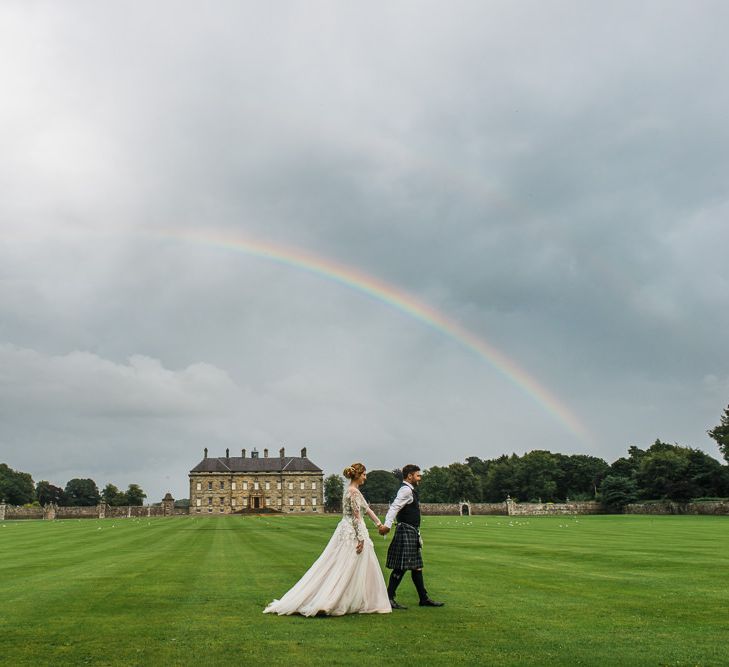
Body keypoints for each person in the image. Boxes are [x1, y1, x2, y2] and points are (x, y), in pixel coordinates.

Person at [264, 462, 391, 616]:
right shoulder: (354, 492)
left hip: (346, 529)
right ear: (357, 475)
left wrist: (379, 524)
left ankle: (351, 599)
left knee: (345, 564)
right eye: (364, 474)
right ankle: (331, 602)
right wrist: (361, 539)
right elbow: (357, 517)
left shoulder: (352, 491)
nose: (366, 477)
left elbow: (367, 509)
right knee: (347, 566)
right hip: (352, 531)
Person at [378, 463, 444, 609]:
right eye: (417, 475)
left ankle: (423, 598)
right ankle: (389, 598)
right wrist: (387, 525)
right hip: (406, 531)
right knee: (402, 567)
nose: (419, 478)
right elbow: (394, 507)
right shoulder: (406, 490)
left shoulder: (411, 491)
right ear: (410, 476)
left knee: (416, 567)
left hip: (412, 531)